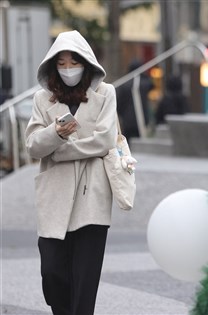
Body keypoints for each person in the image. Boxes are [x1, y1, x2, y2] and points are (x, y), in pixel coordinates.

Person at [25, 30, 117, 315]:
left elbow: (105, 140)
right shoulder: (43, 100)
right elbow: (32, 145)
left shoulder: (105, 93)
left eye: (73, 62)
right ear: (53, 66)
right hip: (55, 197)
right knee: (53, 274)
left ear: (86, 63)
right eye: (61, 63)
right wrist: (55, 132)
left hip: (92, 200)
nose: (68, 69)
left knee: (85, 282)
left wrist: (60, 150)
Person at [116, 59, 154, 140]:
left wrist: (120, 113)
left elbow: (119, 102)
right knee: (142, 144)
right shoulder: (145, 83)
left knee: (127, 144)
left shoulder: (124, 83)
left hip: (127, 119)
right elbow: (151, 85)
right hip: (142, 119)